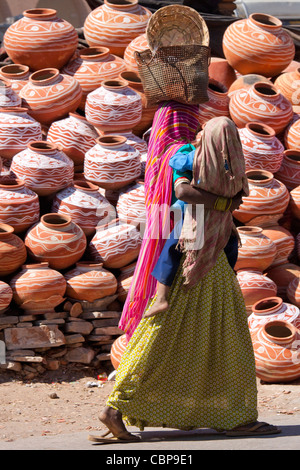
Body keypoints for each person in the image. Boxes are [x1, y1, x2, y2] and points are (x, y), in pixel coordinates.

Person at [90, 103, 280, 442]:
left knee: (181, 344)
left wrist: (225, 202)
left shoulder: (222, 170)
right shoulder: (191, 169)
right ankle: (117, 408)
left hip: (211, 265)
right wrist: (162, 293)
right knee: (213, 342)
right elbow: (176, 234)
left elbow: (231, 201)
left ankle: (120, 410)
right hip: (198, 272)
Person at [144, 139, 240, 318]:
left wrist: (199, 157)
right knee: (230, 244)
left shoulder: (198, 156)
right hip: (220, 217)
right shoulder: (232, 162)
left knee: (171, 250)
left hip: (195, 216)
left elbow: (176, 162)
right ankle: (229, 279)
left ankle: (162, 298)